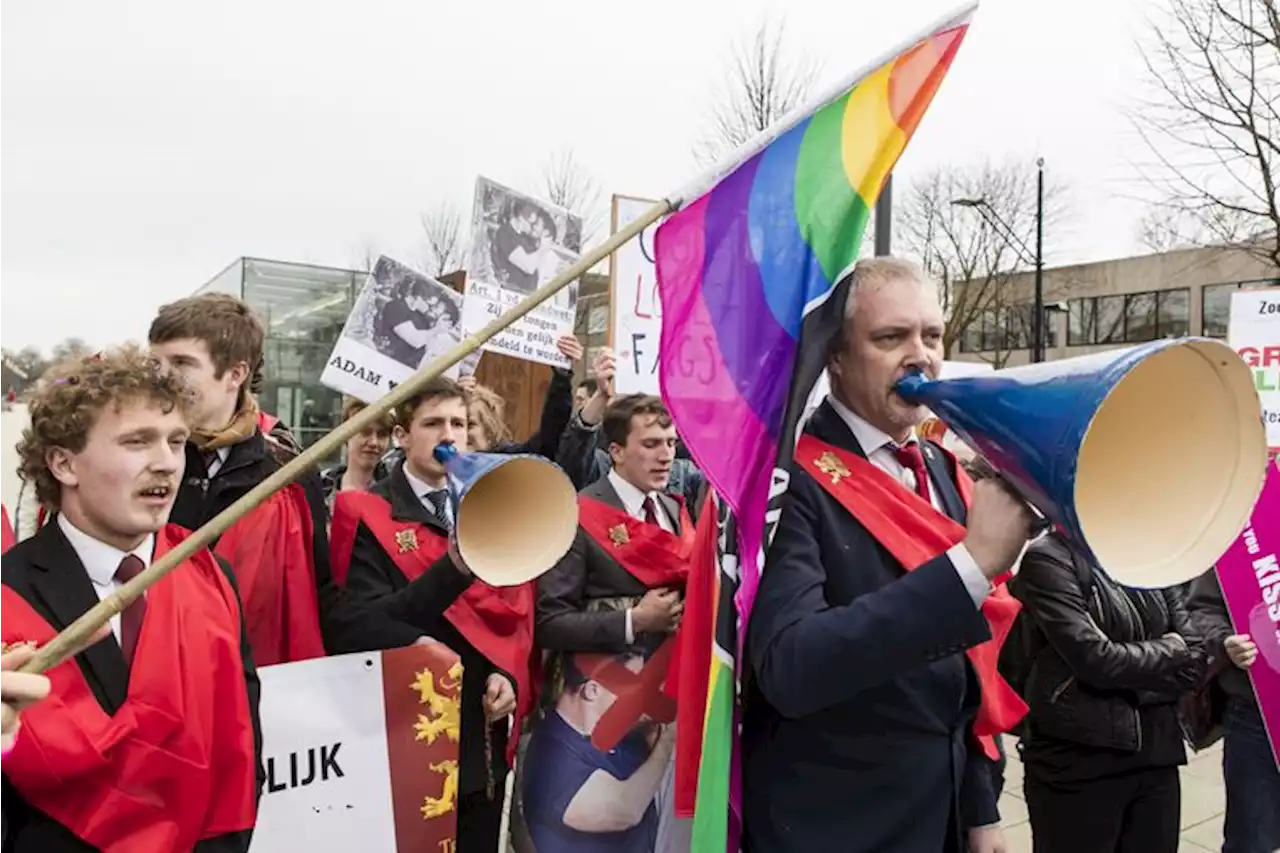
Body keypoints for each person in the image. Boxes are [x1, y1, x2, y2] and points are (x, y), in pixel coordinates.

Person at [742, 257, 1033, 853]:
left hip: (941, 816)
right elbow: (789, 668)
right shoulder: (784, 481)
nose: (920, 355)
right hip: (837, 827)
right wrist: (970, 565)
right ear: (837, 358)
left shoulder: (943, 471)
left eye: (931, 336)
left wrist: (980, 805)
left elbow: (968, 666)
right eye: (890, 337)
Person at [0, 346, 261, 852]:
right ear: (63, 463)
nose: (166, 463)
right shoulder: (7, 590)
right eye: (137, 441)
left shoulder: (211, 577)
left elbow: (243, 749)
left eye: (177, 441)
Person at [150, 293, 471, 664]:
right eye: (154, 362)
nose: (160, 378)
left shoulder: (287, 475)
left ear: (235, 374)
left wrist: (408, 641)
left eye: (180, 363)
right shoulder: (140, 460)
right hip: (149, 674)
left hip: (243, 685)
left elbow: (319, 601)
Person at [332, 377, 534, 853]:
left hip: (479, 736)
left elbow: (513, 609)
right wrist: (452, 572)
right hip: (404, 734)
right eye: (433, 423)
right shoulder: (366, 512)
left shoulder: (490, 504)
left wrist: (507, 670)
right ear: (402, 435)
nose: (449, 435)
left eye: (459, 424)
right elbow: (355, 623)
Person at [532, 393, 696, 853]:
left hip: (667, 708)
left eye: (670, 442)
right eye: (650, 444)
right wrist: (633, 619)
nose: (666, 455)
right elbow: (550, 621)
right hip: (598, 718)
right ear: (617, 451)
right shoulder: (579, 514)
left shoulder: (677, 510)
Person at [1011, 532, 1206, 853]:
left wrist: (1130, 665)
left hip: (1157, 755)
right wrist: (1171, 649)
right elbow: (1095, 660)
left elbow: (1197, 657)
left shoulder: (1150, 554)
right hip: (1079, 759)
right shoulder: (1050, 558)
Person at [1187, 569, 1280, 853]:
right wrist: (1225, 642)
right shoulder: (1241, 539)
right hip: (1256, 714)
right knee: (1251, 837)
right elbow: (1201, 610)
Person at [319, 397, 395, 510]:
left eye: (382, 434)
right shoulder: (321, 488)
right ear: (346, 436)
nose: (374, 442)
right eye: (365, 432)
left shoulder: (397, 492)